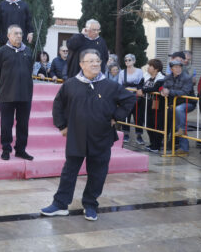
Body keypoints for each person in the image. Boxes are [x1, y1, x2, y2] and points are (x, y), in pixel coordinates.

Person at [40, 49, 136, 221]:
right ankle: (60, 204)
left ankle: (90, 204)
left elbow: (129, 99)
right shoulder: (70, 84)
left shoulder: (110, 85)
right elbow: (58, 105)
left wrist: (116, 116)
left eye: (97, 61)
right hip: (76, 135)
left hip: (101, 136)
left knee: (98, 172)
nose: (95, 64)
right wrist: (62, 126)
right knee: (69, 171)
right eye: (90, 61)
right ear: (81, 64)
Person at [0, 24, 35, 161]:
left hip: (25, 94)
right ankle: (6, 149)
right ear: (8, 35)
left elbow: (30, 69)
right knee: (6, 124)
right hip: (7, 94)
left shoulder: (28, 51)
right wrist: (6, 84)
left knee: (23, 124)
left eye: (21, 33)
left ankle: (21, 150)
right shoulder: (1, 51)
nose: (19, 36)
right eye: (15, 33)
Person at [161, 59, 195, 156]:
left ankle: (182, 129)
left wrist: (169, 92)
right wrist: (162, 92)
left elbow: (185, 92)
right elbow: (164, 87)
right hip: (175, 104)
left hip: (188, 102)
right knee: (177, 124)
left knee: (179, 111)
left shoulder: (187, 78)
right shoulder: (168, 77)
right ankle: (184, 149)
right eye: (176, 67)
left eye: (180, 67)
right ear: (171, 69)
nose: (178, 69)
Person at [138, 59, 165, 153]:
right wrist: (140, 89)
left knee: (157, 125)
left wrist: (143, 90)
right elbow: (140, 85)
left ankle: (157, 145)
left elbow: (155, 88)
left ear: (156, 69)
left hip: (158, 105)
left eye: (150, 66)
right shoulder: (146, 75)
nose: (148, 67)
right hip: (146, 103)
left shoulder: (162, 77)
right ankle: (152, 143)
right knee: (148, 124)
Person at [118, 54, 145, 145]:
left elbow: (141, 83)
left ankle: (139, 135)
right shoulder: (122, 72)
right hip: (126, 97)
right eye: (125, 60)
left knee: (138, 116)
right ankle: (126, 134)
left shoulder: (139, 71)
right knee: (126, 115)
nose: (127, 62)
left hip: (137, 96)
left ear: (134, 61)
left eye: (129, 60)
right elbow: (120, 84)